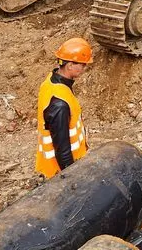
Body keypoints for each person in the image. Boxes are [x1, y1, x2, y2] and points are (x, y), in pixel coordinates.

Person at [35, 37, 93, 179]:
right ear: (70, 65)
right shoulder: (59, 104)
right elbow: (62, 150)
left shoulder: (51, 81)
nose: (84, 68)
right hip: (59, 172)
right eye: (82, 65)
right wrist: (71, 178)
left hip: (61, 167)